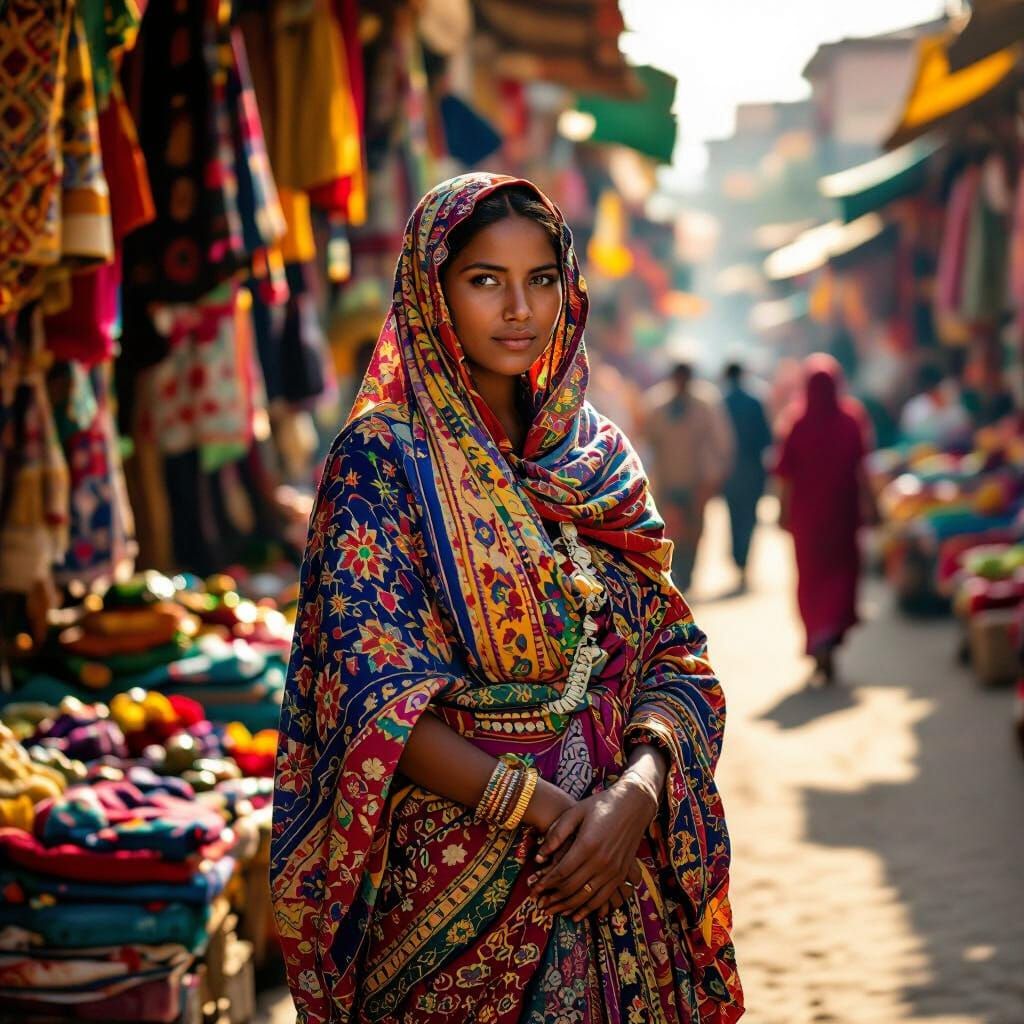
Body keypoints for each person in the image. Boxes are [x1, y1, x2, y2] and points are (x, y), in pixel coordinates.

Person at [270, 174, 742, 1024]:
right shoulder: (381, 463)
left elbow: (676, 654)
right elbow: (375, 695)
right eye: (486, 280)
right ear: (431, 290)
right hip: (454, 894)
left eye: (542, 280)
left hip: (617, 877)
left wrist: (635, 793)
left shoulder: (597, 456)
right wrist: (556, 814)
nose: (519, 308)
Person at [774, 354, 876, 684]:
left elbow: (784, 475)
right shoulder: (851, 419)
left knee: (811, 579)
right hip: (842, 514)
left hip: (808, 519)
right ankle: (829, 633)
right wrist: (873, 505)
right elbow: (864, 469)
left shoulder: (796, 422)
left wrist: (782, 510)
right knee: (842, 573)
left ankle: (819, 633)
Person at [644, 360, 734, 592]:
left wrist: (713, 477)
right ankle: (675, 573)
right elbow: (646, 443)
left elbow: (720, 441)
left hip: (697, 482)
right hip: (666, 481)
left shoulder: (705, 405)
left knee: (694, 530)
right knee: (671, 530)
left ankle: (689, 571)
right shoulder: (657, 406)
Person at [721, 360, 772, 588]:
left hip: (730, 470)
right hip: (751, 469)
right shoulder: (755, 401)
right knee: (749, 516)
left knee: (733, 515)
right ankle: (744, 559)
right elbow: (766, 438)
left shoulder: (720, 402)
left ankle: (738, 557)